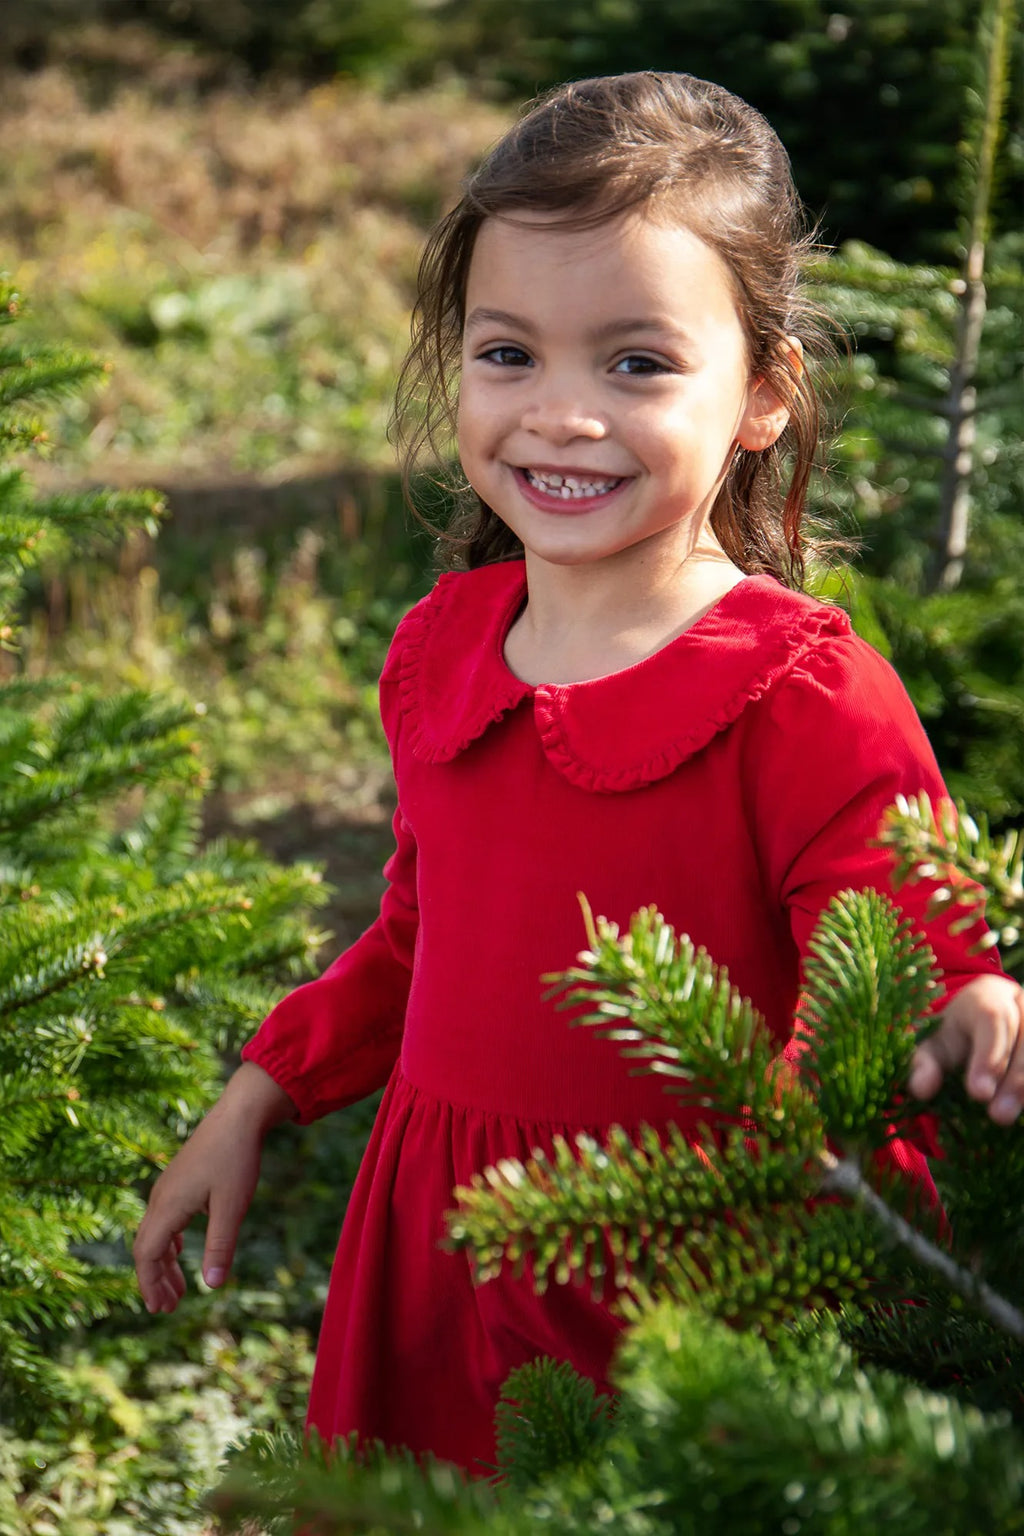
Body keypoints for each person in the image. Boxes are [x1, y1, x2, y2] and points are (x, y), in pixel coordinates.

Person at [133, 71, 1024, 1473]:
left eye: (636, 363)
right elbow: (424, 938)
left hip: (693, 1287)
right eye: (507, 354)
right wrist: (263, 1088)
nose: (560, 413)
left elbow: (898, 932)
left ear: (764, 397)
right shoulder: (445, 650)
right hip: (440, 1261)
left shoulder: (798, 685)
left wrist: (970, 988)